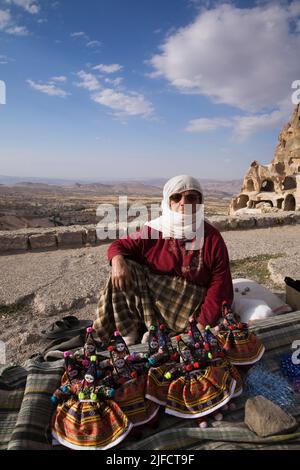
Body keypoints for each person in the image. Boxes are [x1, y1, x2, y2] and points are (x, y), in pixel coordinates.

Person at [93, 175, 233, 346]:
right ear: (168, 202)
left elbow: (221, 283)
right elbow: (119, 245)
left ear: (199, 202)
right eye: (176, 197)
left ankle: (161, 330)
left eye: (191, 197)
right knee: (126, 265)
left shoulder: (211, 237)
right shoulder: (154, 230)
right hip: (157, 303)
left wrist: (202, 324)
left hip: (192, 306)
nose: (183, 202)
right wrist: (117, 260)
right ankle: (128, 333)